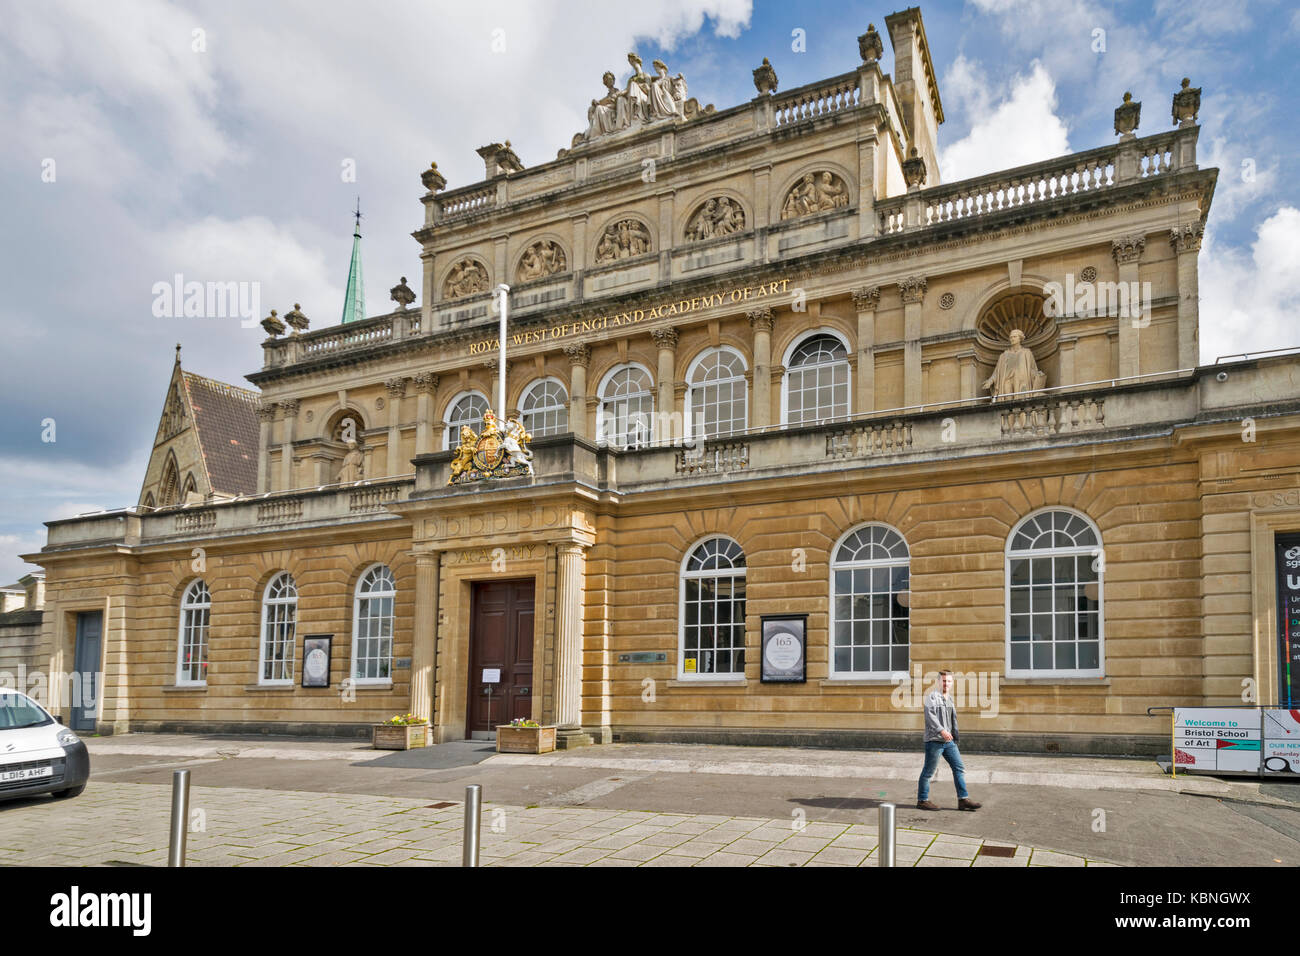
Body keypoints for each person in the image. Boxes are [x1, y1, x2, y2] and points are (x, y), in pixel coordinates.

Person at [917, 669, 982, 811]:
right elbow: (930, 717)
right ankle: (922, 800)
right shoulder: (932, 697)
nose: (946, 683)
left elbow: (952, 720)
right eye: (944, 680)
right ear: (938, 681)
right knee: (928, 771)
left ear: (952, 683)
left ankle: (963, 799)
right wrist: (942, 730)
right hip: (934, 741)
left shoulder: (950, 699)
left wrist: (953, 735)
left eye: (949, 681)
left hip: (949, 742)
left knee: (958, 767)